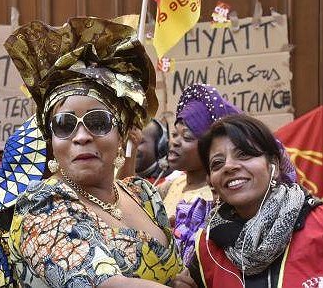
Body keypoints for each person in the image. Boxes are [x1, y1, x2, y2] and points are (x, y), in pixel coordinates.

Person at [4, 17, 184, 287]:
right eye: (64, 125)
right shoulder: (42, 206)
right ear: (51, 142)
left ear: (121, 133)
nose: (81, 137)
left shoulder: (144, 195)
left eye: (97, 122)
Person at [188, 114, 323, 288]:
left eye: (243, 154)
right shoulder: (207, 247)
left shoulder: (318, 223)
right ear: (212, 181)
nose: (229, 166)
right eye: (217, 163)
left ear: (273, 164)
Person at [162, 84, 239, 265]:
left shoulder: (216, 196)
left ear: (209, 149)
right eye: (174, 134)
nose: (175, 142)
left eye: (187, 137)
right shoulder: (172, 184)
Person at [117, 119, 172, 184]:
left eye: (140, 142)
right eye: (128, 141)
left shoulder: (171, 182)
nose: (131, 147)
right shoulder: (119, 170)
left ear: (160, 146)